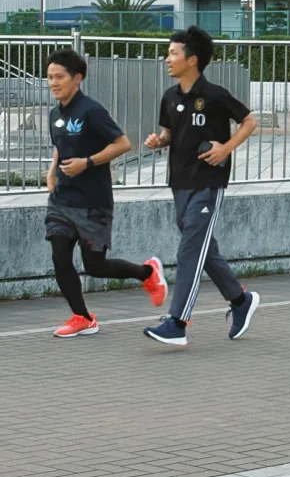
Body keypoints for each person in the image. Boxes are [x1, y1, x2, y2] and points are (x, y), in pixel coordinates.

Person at [143, 27, 260, 347]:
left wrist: (226, 148)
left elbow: (249, 121)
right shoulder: (170, 97)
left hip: (208, 182)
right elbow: (169, 133)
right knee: (203, 249)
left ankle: (178, 321)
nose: (167, 59)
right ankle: (240, 300)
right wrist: (159, 141)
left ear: (192, 60)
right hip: (179, 181)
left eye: (173, 53)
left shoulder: (214, 95)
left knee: (190, 249)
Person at [44, 48, 167, 338]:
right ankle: (82, 317)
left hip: (93, 203)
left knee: (95, 266)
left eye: (59, 77)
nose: (53, 83)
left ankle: (147, 273)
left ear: (78, 78)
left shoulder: (91, 110)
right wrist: (52, 172)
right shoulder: (54, 114)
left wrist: (87, 162)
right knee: (60, 257)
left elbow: (123, 144)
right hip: (62, 200)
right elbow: (60, 146)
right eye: (49, 77)